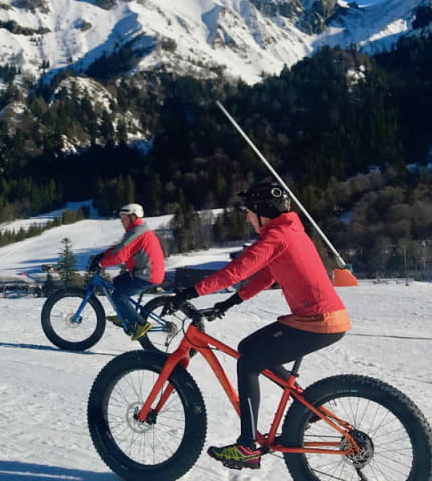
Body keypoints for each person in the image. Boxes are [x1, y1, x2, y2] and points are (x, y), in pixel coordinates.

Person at [170, 180, 352, 470]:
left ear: (263, 211)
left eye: (248, 210)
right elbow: (266, 275)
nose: (245, 216)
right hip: (322, 318)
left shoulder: (277, 236)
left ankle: (246, 447)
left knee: (249, 363)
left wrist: (189, 293)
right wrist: (230, 303)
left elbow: (237, 270)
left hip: (317, 321)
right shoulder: (290, 232)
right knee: (249, 348)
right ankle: (309, 409)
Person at [88, 203, 165, 341]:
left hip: (147, 275)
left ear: (133, 217)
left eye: (124, 217)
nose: (121, 221)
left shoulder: (137, 232)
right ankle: (125, 314)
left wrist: (101, 263)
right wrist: (102, 255)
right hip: (144, 272)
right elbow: (120, 248)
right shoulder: (136, 231)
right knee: (117, 282)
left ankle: (141, 324)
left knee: (119, 296)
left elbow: (120, 255)